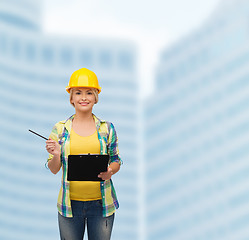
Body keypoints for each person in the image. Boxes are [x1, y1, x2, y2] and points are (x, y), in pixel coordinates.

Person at [45, 68, 122, 240]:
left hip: (101, 205)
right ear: (71, 97)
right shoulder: (60, 129)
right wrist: (56, 154)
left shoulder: (107, 128)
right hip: (70, 205)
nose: (84, 97)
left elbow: (116, 160)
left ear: (96, 96)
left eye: (89, 92)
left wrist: (110, 171)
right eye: (78, 92)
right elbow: (53, 169)